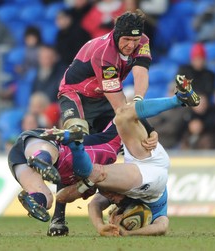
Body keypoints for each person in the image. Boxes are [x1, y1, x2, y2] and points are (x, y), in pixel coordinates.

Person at [46, 75, 200, 236]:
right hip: (152, 180)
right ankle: (178, 100)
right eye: (115, 220)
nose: (112, 220)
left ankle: (66, 152)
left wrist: (100, 226)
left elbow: (92, 205)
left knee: (122, 116)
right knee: (97, 170)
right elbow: (162, 227)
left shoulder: (112, 195)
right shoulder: (152, 210)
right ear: (124, 214)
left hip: (140, 165)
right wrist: (130, 234)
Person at [50, 10, 155, 236]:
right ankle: (57, 218)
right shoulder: (104, 54)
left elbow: (141, 74)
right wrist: (147, 127)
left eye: (135, 40)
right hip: (76, 96)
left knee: (112, 149)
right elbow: (120, 107)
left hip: (104, 98)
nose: (131, 45)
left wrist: (139, 101)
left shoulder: (142, 42)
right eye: (126, 39)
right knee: (73, 147)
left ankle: (117, 199)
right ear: (116, 35)